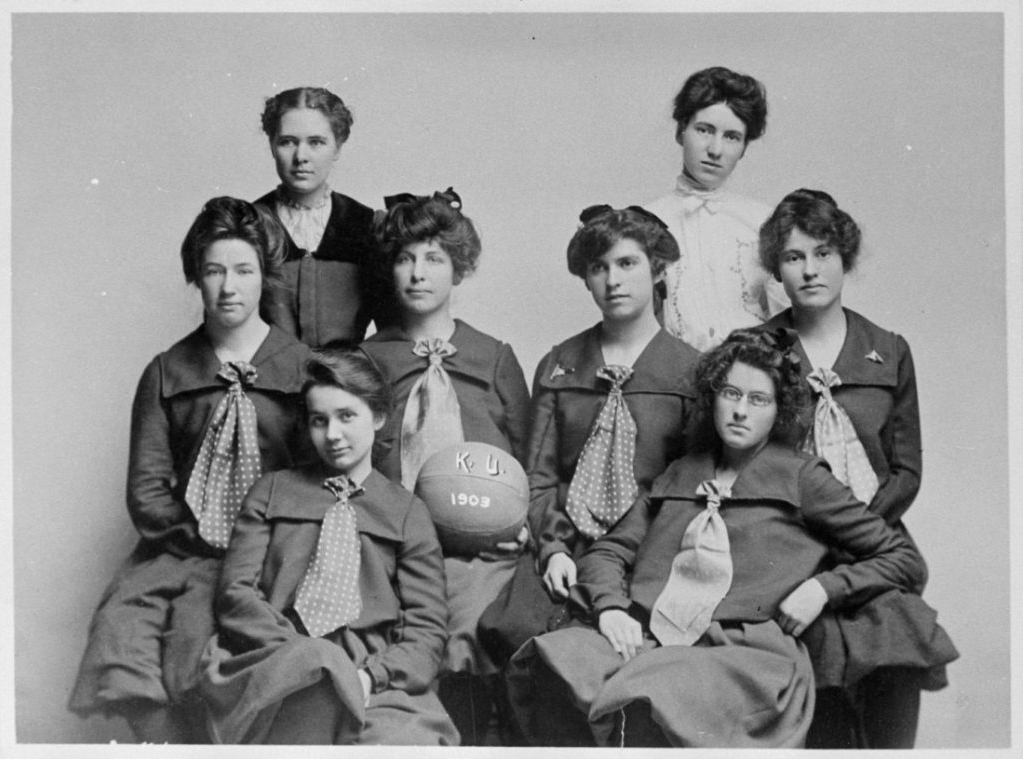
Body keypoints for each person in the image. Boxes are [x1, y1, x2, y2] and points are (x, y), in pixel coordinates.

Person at [505, 329, 927, 748]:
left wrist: (823, 588)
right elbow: (609, 551)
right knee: (557, 658)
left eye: (758, 399)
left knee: (659, 689)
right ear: (712, 398)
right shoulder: (680, 472)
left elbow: (900, 556)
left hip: (742, 652)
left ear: (779, 409)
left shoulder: (802, 477)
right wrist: (612, 608)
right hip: (654, 635)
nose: (740, 410)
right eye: (731, 393)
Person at [69, 197, 314, 742]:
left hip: (271, 551)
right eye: (214, 271)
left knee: (201, 648)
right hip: (186, 546)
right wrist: (195, 536)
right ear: (196, 279)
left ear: (265, 277)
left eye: (244, 271)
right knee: (121, 635)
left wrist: (259, 543)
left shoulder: (300, 368)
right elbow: (148, 489)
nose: (229, 287)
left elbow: (312, 478)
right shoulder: (166, 371)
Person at [758, 189, 957, 748]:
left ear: (845, 257)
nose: (810, 270)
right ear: (777, 268)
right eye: (793, 258)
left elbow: (905, 469)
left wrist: (861, 532)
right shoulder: (754, 349)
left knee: (896, 638)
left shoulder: (887, 350)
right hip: (790, 548)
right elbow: (750, 465)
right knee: (811, 671)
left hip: (874, 546)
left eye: (823, 253)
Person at [478, 205, 700, 673]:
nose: (612, 281)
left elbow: (688, 490)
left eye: (627, 263)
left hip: (648, 548)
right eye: (598, 268)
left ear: (657, 268)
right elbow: (537, 476)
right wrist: (554, 548)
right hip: (567, 539)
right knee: (513, 632)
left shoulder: (690, 372)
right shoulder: (561, 363)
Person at [198, 349, 458, 745]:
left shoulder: (407, 512)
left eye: (346, 416)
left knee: (405, 742)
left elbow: (426, 630)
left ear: (378, 416)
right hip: (278, 662)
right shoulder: (271, 491)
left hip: (372, 681)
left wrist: (370, 677)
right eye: (320, 421)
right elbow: (236, 593)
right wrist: (304, 659)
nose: (332, 435)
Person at [359, 188, 530, 744]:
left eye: (434, 258)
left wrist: (520, 522)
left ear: (459, 268)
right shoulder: (367, 361)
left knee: (474, 624)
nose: (417, 273)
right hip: (390, 546)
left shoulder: (495, 356)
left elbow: (529, 460)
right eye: (405, 257)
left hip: (479, 549)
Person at [645, 66, 787, 351]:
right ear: (680, 131)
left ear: (744, 148)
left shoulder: (766, 222)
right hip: (673, 383)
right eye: (704, 130)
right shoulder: (645, 222)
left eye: (732, 137)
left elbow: (787, 318)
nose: (715, 150)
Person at [255, 86, 392, 348]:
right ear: (272, 146)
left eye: (316, 142)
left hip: (345, 383)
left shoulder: (366, 225)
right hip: (265, 383)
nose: (301, 157)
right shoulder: (249, 223)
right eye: (287, 141)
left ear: (337, 148)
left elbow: (393, 331)